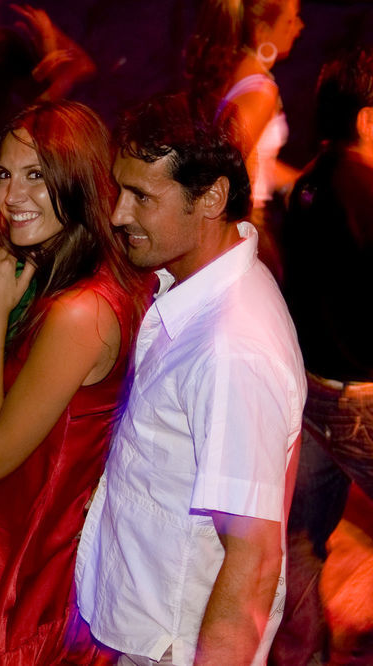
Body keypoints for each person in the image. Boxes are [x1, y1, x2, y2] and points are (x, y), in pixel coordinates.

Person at [74, 93, 306, 666]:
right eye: (119, 191)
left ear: (211, 198)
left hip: (179, 647)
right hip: (153, 632)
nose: (118, 214)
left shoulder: (230, 348)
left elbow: (253, 559)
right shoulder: (201, 290)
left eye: (142, 197)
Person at [0, 101, 142, 665]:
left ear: (79, 181)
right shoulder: (64, 277)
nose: (11, 195)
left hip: (29, 581)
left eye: (37, 176)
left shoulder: (80, 312)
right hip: (13, 554)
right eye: (3, 174)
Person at [271, 45, 373, 666]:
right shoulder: (366, 191)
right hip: (362, 401)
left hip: (310, 398)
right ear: (366, 119)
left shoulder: (306, 186)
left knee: (300, 541)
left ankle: (302, 656)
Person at [185, 0, 305, 281]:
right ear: (262, 31)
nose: (300, 27)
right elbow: (224, 164)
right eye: (291, 20)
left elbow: (255, 157)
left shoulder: (236, 76)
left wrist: (301, 182)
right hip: (244, 226)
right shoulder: (259, 91)